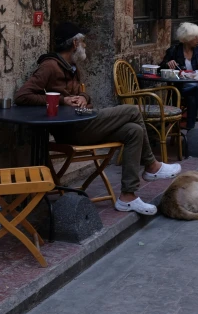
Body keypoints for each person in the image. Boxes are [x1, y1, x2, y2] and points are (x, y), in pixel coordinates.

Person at [14, 22, 181, 216]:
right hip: (71, 130)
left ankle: (128, 197)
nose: (85, 45)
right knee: (132, 111)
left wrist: (83, 98)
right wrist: (62, 100)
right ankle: (152, 166)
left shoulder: (73, 66)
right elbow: (22, 95)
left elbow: (86, 96)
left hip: (85, 122)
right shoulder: (50, 66)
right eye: (83, 41)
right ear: (74, 43)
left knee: (133, 131)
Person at [159, 23, 198, 143]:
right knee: (195, 91)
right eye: (195, 37)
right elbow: (160, 68)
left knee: (195, 93)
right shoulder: (174, 51)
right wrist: (168, 64)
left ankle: (191, 130)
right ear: (186, 38)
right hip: (181, 90)